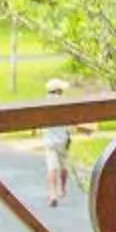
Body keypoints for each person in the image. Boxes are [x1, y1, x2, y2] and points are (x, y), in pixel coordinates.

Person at [40, 79, 75, 208]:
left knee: (52, 167)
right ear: (59, 91)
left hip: (49, 140)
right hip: (63, 139)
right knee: (63, 166)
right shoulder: (64, 103)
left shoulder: (44, 103)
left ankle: (52, 193)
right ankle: (62, 189)